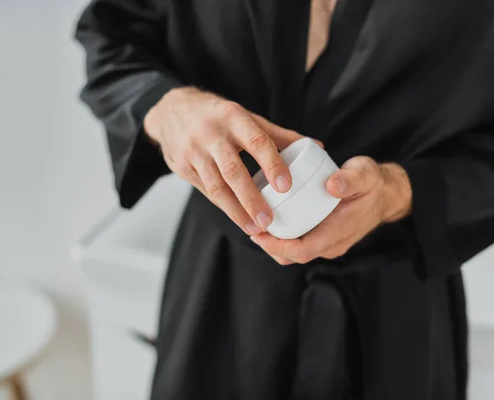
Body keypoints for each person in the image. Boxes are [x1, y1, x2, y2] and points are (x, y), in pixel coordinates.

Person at [75, 0, 494, 399]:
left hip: (399, 309)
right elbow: (110, 32)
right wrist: (167, 109)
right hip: (223, 290)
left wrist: (396, 192)